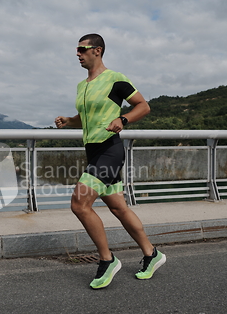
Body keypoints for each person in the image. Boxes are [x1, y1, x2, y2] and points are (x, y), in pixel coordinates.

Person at [55, 33, 166, 289]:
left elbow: (143, 106)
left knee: (79, 203)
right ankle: (151, 254)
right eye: (77, 50)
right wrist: (69, 121)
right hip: (93, 152)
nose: (78, 54)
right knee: (118, 208)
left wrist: (124, 119)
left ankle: (107, 260)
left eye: (82, 49)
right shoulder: (82, 86)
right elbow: (87, 118)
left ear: (98, 50)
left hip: (110, 150)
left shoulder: (115, 79)